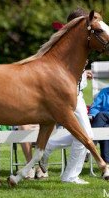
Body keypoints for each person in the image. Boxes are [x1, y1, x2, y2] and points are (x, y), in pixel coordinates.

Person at [37, 8, 94, 184]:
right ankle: (69, 176)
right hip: (65, 97)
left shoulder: (83, 41)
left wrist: (84, 73)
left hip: (78, 95)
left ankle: (46, 150)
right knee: (85, 136)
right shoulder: (64, 43)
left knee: (84, 136)